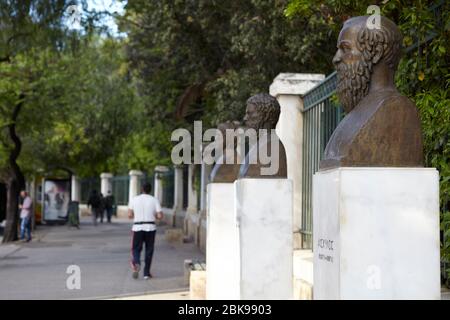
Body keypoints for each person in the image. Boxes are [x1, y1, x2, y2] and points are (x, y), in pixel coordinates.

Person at [128, 183, 163, 280]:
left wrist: (137, 214)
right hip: (150, 227)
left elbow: (130, 215)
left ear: (141, 189)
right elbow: (160, 216)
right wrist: (153, 215)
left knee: (135, 249)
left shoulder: (134, 199)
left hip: (137, 228)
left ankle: (137, 262)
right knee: (149, 250)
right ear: (150, 190)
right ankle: (146, 273)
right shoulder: (154, 200)